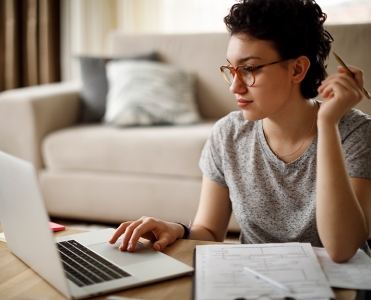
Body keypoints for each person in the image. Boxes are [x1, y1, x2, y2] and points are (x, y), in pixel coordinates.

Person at [109, 0, 371, 262]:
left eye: (248, 69)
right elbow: (209, 231)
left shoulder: (355, 132)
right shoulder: (228, 134)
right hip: (252, 280)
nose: (235, 86)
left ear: (297, 69)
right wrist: (177, 229)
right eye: (232, 69)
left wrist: (327, 124)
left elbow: (341, 249)